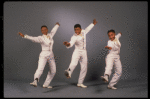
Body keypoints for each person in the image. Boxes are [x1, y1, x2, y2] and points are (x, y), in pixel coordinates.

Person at [18, 22, 60, 88]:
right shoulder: (40, 38)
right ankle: (35, 81)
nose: (43, 31)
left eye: (45, 29)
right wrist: (24, 36)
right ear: (41, 31)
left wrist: (57, 25)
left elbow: (53, 30)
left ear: (47, 30)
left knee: (53, 71)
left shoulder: (50, 35)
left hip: (51, 55)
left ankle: (46, 84)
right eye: (42, 30)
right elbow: (33, 38)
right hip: (43, 54)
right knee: (40, 69)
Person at [63, 19, 97, 88]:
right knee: (73, 63)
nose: (76, 31)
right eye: (75, 30)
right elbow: (71, 43)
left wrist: (93, 24)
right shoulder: (74, 37)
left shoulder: (84, 32)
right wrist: (68, 44)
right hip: (77, 51)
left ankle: (80, 83)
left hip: (84, 52)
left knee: (84, 67)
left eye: (77, 29)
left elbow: (88, 29)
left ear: (81, 29)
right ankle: (69, 72)